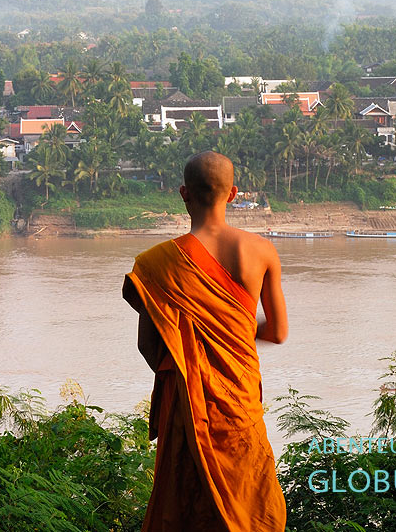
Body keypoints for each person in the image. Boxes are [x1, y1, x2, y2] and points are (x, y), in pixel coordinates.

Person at [122, 151, 288, 532]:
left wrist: (190, 357)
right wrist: (234, 329)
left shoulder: (156, 262)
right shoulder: (261, 251)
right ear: (233, 194)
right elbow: (278, 332)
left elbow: (148, 346)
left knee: (184, 508)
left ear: (184, 193)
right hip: (240, 405)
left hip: (187, 407)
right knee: (251, 502)